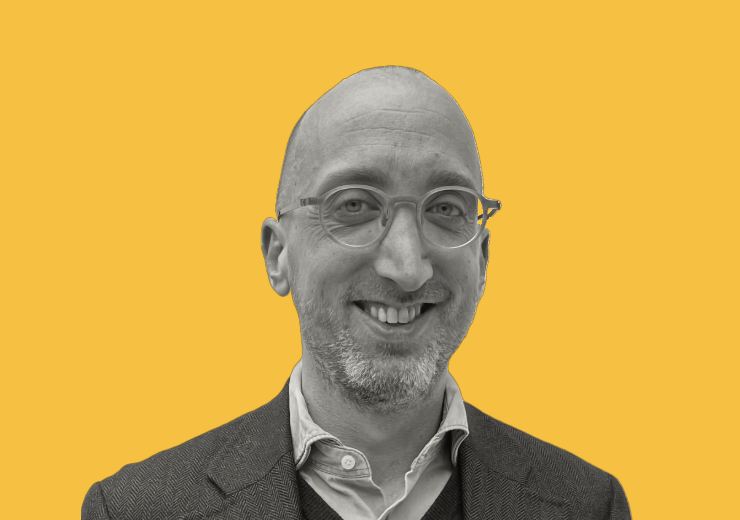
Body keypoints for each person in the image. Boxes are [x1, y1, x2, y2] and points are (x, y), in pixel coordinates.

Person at [82, 66, 630, 520]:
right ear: (278, 256)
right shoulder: (136, 510)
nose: (407, 267)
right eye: (354, 205)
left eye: (446, 208)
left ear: (482, 258)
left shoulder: (588, 506)